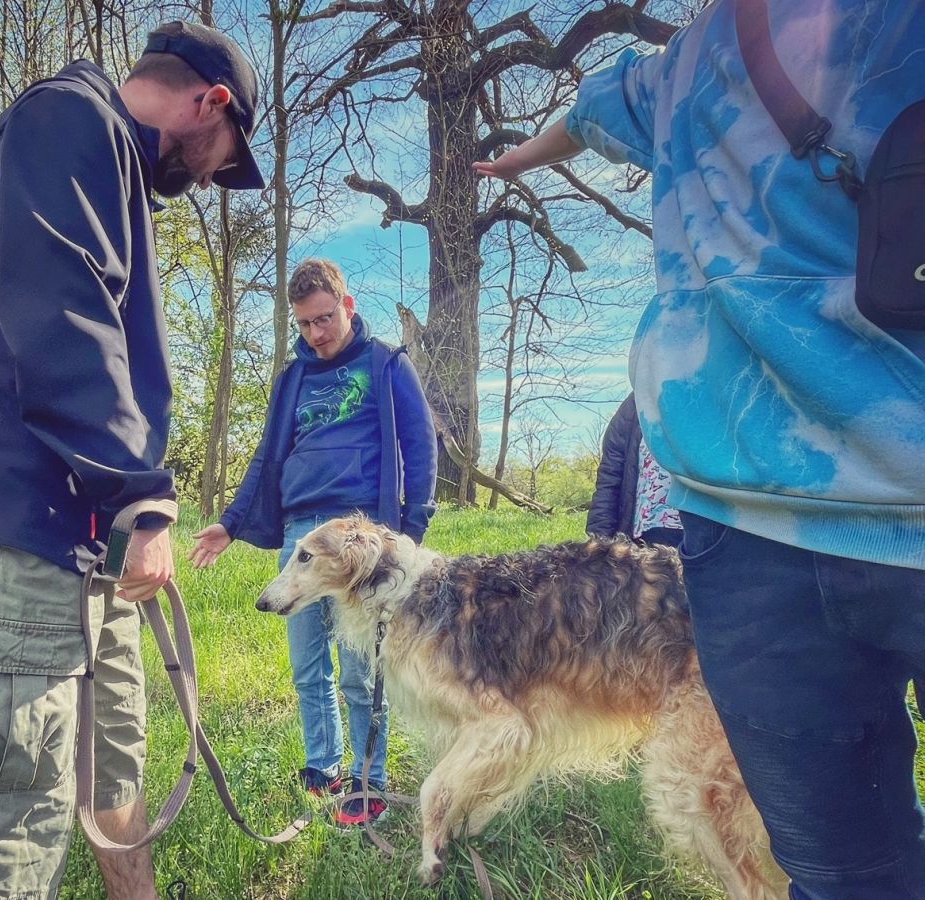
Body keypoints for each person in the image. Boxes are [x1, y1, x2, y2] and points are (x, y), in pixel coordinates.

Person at [476, 3, 925, 898]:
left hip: (750, 523)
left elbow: (588, 113)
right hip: (763, 529)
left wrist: (524, 155)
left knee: (845, 877)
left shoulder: (684, 65)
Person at [0, 21, 266, 900]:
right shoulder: (69, 121)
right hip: (9, 532)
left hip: (79, 546)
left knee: (113, 772)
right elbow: (64, 314)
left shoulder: (110, 160)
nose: (209, 179)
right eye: (222, 158)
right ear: (212, 104)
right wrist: (145, 499)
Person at [189, 258, 437, 825]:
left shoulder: (386, 362)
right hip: (302, 531)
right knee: (308, 665)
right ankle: (322, 766)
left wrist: (409, 532)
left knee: (359, 669)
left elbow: (420, 448)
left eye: (324, 319)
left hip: (363, 539)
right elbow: (266, 455)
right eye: (304, 324)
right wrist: (230, 522)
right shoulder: (293, 378)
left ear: (347, 306)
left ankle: (368, 778)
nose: (316, 334)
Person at [586, 392, 682, 547]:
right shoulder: (636, 404)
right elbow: (610, 477)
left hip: (708, 536)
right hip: (648, 534)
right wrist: (599, 541)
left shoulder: (716, 385)